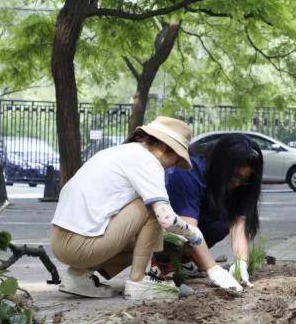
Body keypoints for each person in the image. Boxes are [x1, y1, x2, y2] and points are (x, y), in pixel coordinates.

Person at [50, 116, 240, 300]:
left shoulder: (122, 153)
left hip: (61, 242)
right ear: (166, 147)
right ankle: (139, 283)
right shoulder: (147, 162)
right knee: (151, 209)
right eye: (176, 159)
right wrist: (196, 237)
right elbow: (166, 218)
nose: (173, 165)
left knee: (146, 239)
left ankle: (78, 277)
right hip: (80, 245)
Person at [153, 133, 263, 288]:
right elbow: (187, 228)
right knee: (180, 235)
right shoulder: (189, 170)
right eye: (235, 177)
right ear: (221, 166)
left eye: (245, 180)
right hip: (165, 226)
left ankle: (185, 261)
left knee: (221, 223)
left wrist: (241, 263)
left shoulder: (240, 187)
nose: (237, 183)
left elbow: (239, 224)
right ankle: (163, 260)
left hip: (193, 226)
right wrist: (212, 268)